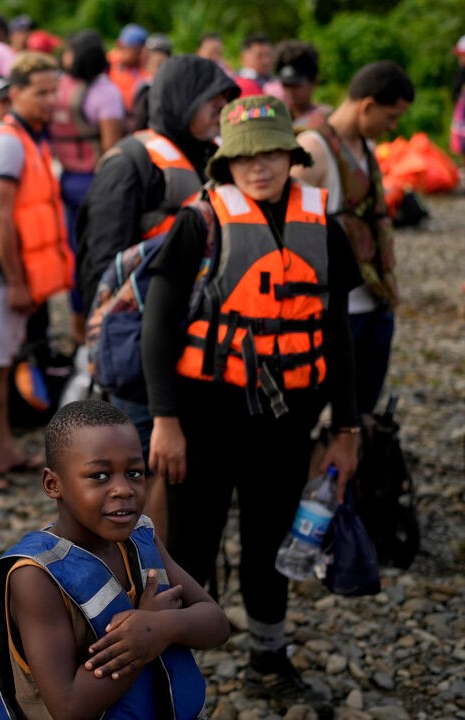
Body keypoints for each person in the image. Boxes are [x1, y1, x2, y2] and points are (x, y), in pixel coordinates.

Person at [142, 96, 361, 704]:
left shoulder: (324, 224)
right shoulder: (200, 221)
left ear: (291, 156)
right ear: (224, 162)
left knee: (271, 540)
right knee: (189, 544)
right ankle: (177, 669)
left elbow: (338, 333)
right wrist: (165, 420)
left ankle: (269, 657)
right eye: (243, 155)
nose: (258, 167)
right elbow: (157, 328)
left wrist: (347, 426)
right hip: (203, 417)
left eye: (270, 152)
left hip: (286, 421)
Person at [76, 55, 238, 541]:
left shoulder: (211, 160)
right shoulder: (130, 163)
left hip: (195, 347)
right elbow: (99, 266)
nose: (220, 111)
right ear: (181, 101)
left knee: (184, 474)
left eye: (225, 102)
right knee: (139, 474)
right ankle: (140, 580)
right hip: (136, 350)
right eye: (212, 101)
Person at [0, 400, 229, 719]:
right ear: (53, 484)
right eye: (100, 476)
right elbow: (69, 706)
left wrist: (161, 627)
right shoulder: (35, 576)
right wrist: (139, 645)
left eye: (134, 473)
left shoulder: (142, 537)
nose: (123, 489)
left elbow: (216, 623)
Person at [0, 52, 70, 488]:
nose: (51, 101)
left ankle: (5, 448)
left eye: (55, 91)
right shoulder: (9, 142)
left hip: (12, 276)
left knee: (1, 364)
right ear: (15, 94)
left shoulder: (31, 138)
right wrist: (14, 280)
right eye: (41, 92)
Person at [294, 62, 414, 416]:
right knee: (316, 411)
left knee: (360, 414)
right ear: (367, 106)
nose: (392, 127)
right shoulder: (313, 150)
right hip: (336, 311)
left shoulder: (365, 145)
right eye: (390, 117)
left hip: (375, 301)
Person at [52, 30, 125, 261]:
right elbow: (111, 146)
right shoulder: (106, 93)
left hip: (62, 176)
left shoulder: (57, 86)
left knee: (72, 245)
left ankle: (75, 294)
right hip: (92, 179)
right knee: (94, 246)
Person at [107, 24, 148, 114]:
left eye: (126, 48)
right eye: (121, 47)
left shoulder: (145, 67)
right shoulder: (108, 63)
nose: (122, 51)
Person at [235, 32, 273, 97]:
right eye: (259, 56)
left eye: (268, 55)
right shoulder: (238, 86)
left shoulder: (273, 80)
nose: (266, 61)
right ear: (243, 57)